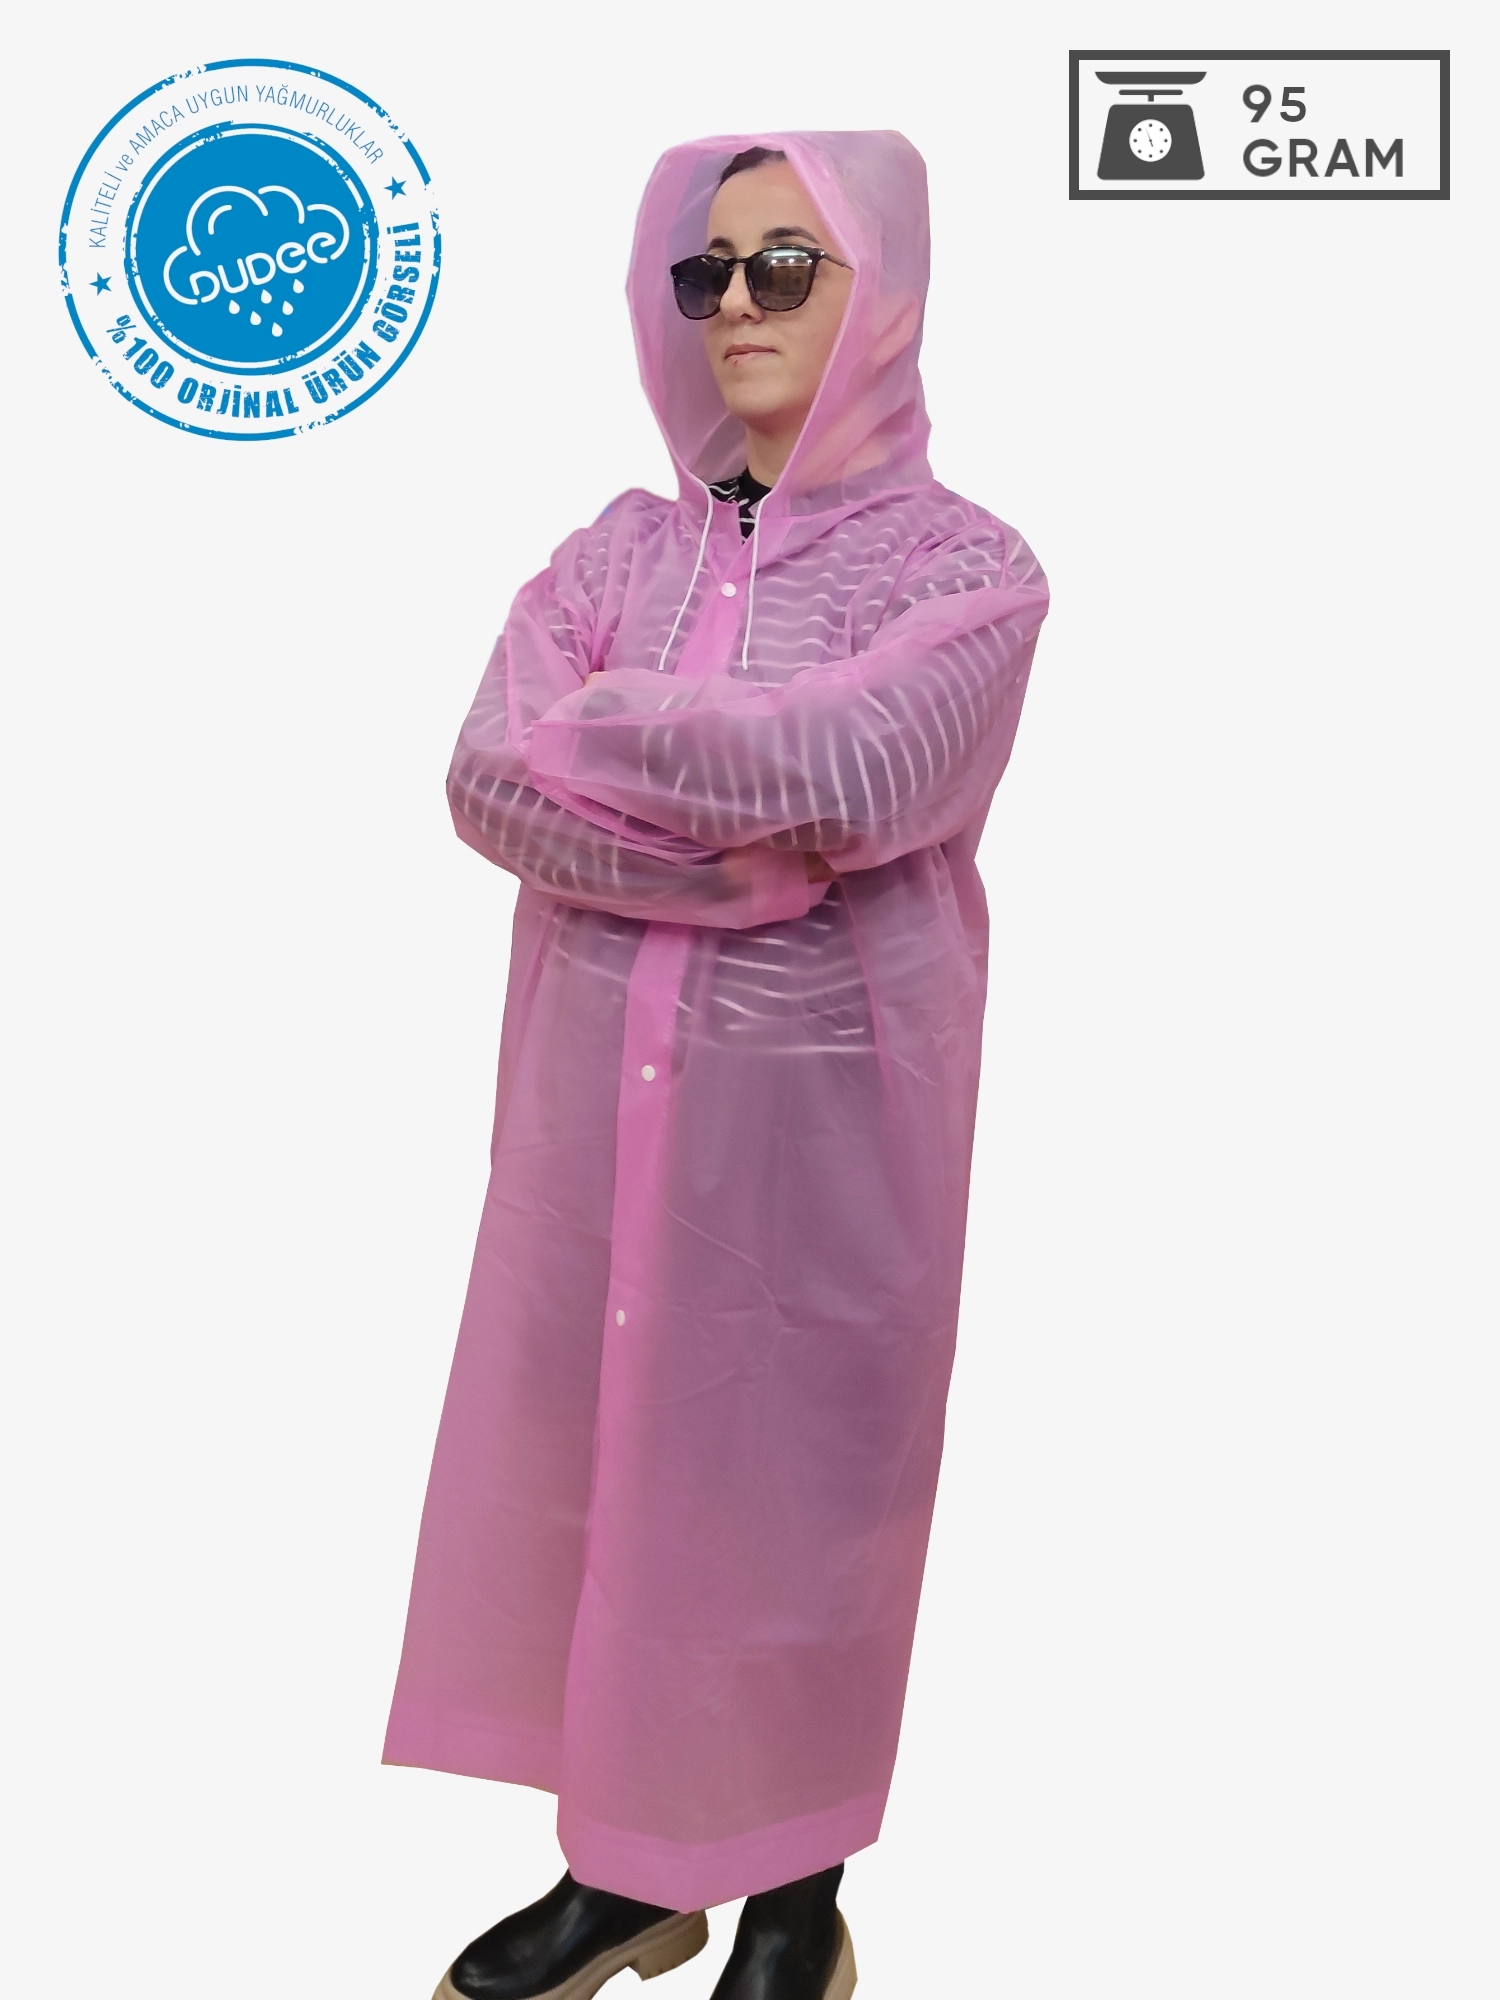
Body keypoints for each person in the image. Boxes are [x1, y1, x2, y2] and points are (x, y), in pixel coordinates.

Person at [383, 131, 1050, 2000]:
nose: (737, 305)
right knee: (608, 1473)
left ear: (881, 295)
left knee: (798, 1503)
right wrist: (745, 853)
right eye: (707, 272)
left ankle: (793, 1901)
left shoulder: (969, 569)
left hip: (827, 1134)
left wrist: (611, 728)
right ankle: (626, 1873)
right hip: (593, 1125)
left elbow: (863, 768)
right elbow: (488, 778)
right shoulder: (614, 552)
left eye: (785, 266)